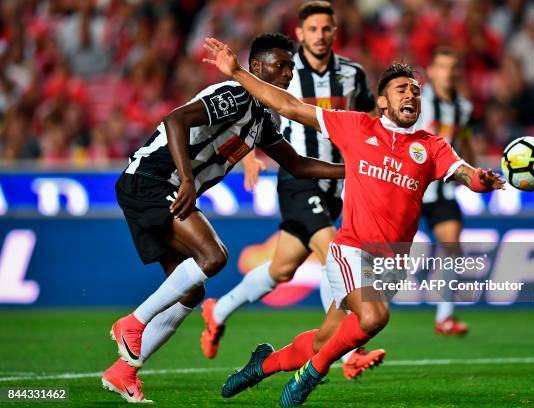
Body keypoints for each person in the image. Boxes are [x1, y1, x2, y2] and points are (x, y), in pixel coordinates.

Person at [202, 37, 505, 406]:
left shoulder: (433, 146)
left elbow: (465, 175)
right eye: (400, 89)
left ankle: (262, 364)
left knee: (325, 338)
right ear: (382, 101)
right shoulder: (357, 127)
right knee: (375, 316)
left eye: (414, 90)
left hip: (391, 261)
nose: (410, 95)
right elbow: (289, 105)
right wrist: (235, 71)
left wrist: (481, 180)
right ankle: (310, 375)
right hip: (351, 249)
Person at [101, 33, 345, 404]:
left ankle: (123, 372)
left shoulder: (261, 119)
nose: (287, 75)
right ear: (257, 67)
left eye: (291, 68)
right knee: (213, 257)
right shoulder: (237, 95)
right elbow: (175, 119)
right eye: (280, 66)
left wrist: (354, 169)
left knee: (191, 289)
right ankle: (131, 324)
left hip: (157, 185)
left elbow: (297, 164)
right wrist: (185, 178)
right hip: (151, 180)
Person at [200, 1, 384, 380]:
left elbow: (366, 123)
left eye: (326, 29)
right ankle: (350, 352)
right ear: (300, 33)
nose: (320, 36)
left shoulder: (353, 74)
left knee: (282, 269)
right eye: (312, 29)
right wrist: (248, 153)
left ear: (335, 32)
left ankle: (217, 312)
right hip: (297, 176)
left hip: (336, 183)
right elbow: (250, 103)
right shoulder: (283, 71)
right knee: (333, 250)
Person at [414, 48, 475, 335]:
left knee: (452, 245)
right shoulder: (416, 102)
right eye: (442, 67)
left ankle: (445, 317)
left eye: (453, 67)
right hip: (410, 188)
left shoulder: (462, 107)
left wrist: (473, 173)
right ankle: (356, 314)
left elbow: (463, 139)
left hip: (443, 190)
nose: (448, 73)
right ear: (432, 71)